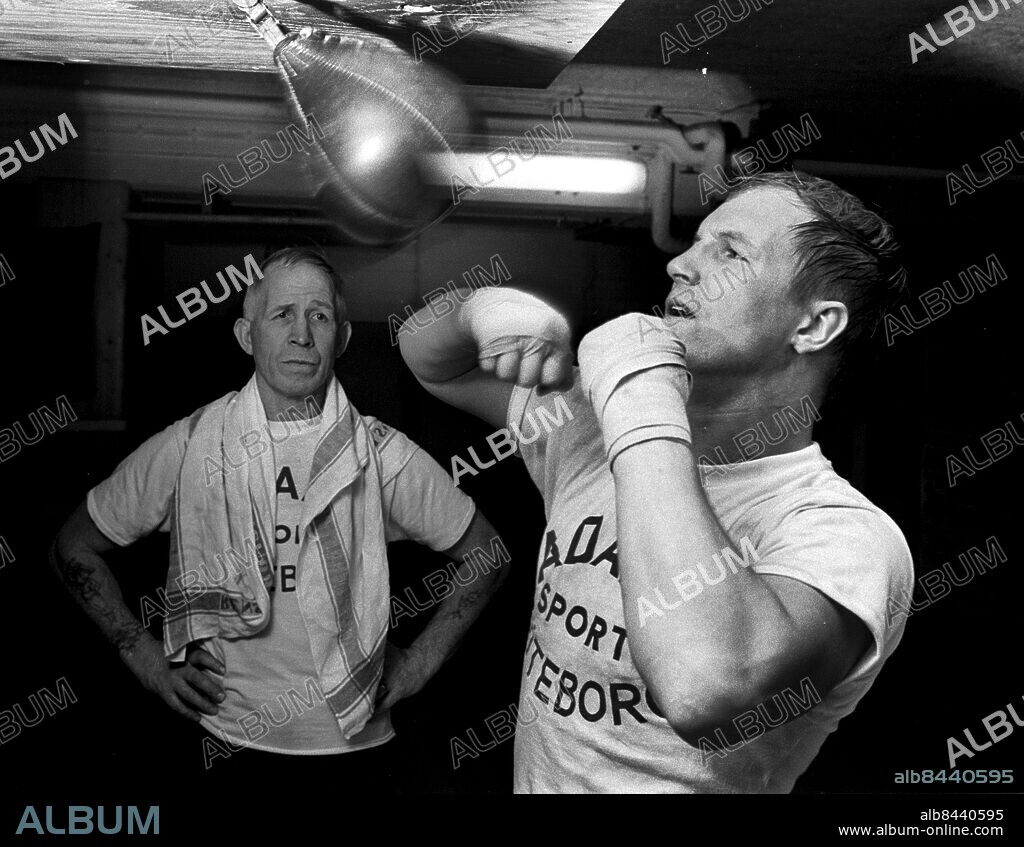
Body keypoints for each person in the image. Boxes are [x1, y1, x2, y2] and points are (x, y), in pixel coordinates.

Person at [398, 171, 914, 793]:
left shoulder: (843, 538)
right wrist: (483, 312)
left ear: (812, 326)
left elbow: (703, 688)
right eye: (695, 242)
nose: (680, 265)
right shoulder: (587, 430)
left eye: (729, 252)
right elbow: (428, 358)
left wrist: (640, 395)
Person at [51, 247, 507, 787]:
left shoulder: (382, 455)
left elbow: (489, 553)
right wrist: (145, 658)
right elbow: (71, 547)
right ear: (248, 336)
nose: (301, 334)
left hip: (357, 748)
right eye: (281, 315)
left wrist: (419, 664)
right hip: (222, 740)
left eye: (319, 316)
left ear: (341, 338)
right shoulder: (190, 445)